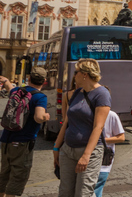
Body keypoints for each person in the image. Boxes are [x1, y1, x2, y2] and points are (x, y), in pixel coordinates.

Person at [54, 59, 111, 197]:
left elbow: (98, 127)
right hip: (68, 150)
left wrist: (86, 155)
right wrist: (57, 147)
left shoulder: (102, 94)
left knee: (83, 194)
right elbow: (67, 120)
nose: (74, 76)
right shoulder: (77, 93)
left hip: (89, 152)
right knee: (65, 192)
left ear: (85, 74)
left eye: (76, 72)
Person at [0, 67, 49, 197]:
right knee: (18, 175)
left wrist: (5, 81)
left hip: (6, 139)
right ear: (44, 81)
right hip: (23, 142)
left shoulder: (17, 91)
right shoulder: (40, 97)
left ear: (28, 78)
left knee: (4, 172)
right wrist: (46, 116)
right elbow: (39, 117)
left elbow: (10, 88)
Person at [93, 110, 125, 197]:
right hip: (85, 159)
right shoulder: (85, 113)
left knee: (96, 189)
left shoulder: (111, 115)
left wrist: (100, 140)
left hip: (103, 161)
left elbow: (121, 138)